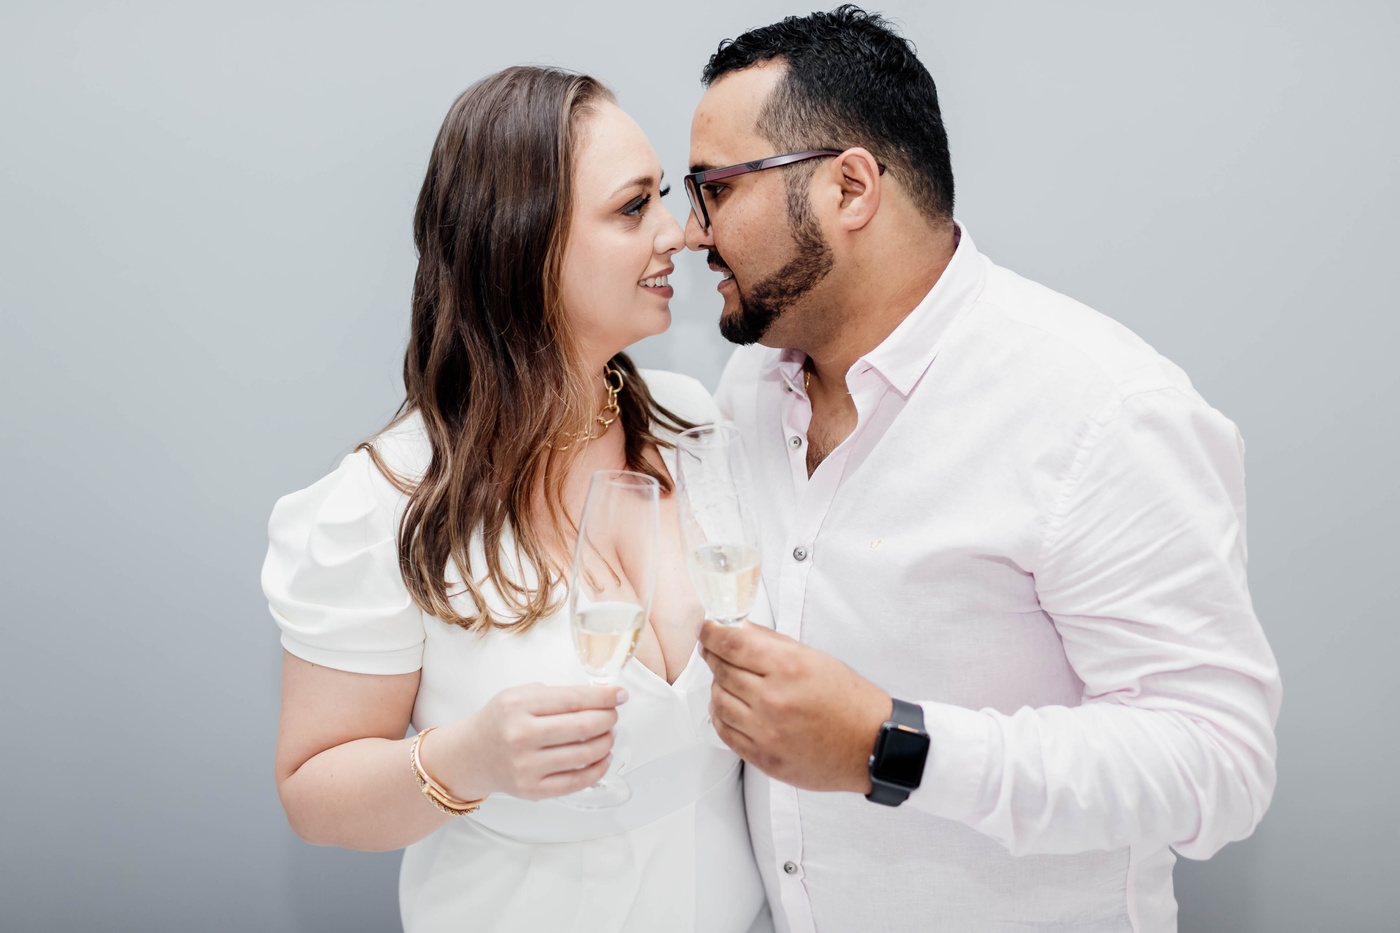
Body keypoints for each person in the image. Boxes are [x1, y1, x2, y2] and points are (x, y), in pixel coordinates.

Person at [683, 7, 1282, 933]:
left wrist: (891, 744)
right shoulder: (749, 389)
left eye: (716, 189)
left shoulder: (1103, 410)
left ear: (850, 188)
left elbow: (1220, 762)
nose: (691, 232)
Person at [262, 66, 769, 933]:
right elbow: (313, 792)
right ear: (524, 243)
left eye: (662, 199)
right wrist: (469, 759)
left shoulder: (695, 425)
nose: (682, 234)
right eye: (633, 208)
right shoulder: (386, 500)